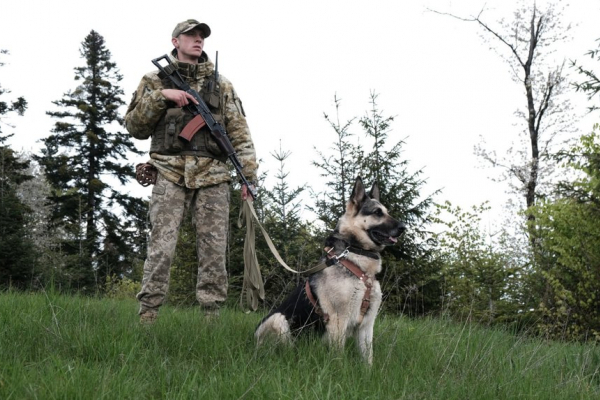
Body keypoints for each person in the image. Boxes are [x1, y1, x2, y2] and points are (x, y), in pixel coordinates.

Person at [125, 19, 258, 323]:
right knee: (160, 249)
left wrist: (248, 178)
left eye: (201, 36)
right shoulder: (154, 79)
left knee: (213, 253)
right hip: (168, 172)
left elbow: (239, 134)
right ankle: (147, 317)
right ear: (176, 41)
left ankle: (210, 320)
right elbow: (135, 127)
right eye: (191, 35)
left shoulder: (221, 84)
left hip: (213, 176)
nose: (198, 40)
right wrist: (162, 97)